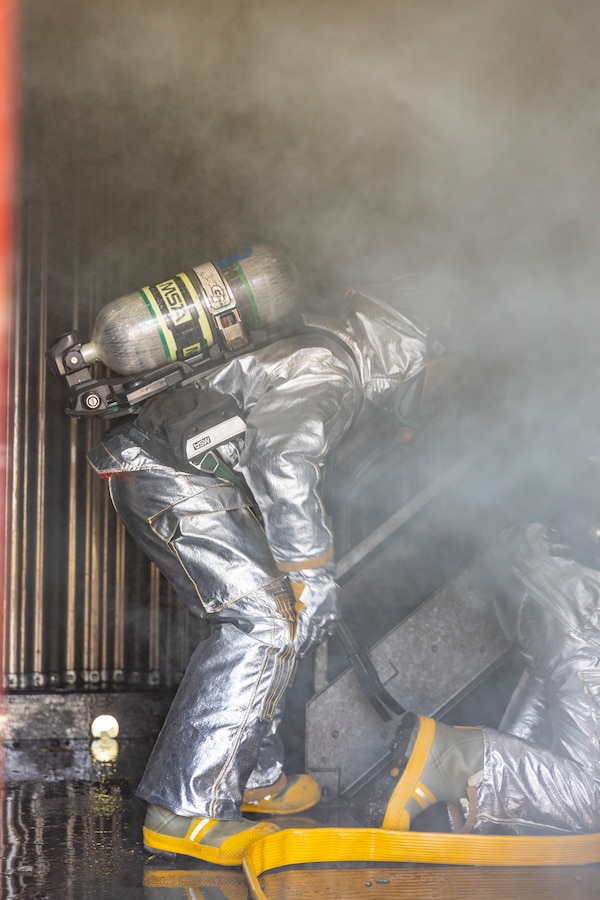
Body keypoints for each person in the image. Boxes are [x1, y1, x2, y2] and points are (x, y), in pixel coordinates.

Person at [87, 274, 447, 865]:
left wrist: (301, 578)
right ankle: (184, 810)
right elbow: (281, 462)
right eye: (429, 364)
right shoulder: (329, 367)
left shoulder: (312, 348)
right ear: (403, 347)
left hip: (174, 471)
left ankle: (251, 774)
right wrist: (311, 571)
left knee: (280, 620)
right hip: (173, 479)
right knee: (263, 624)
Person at [366, 470, 600, 836]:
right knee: (594, 798)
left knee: (544, 734)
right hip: (579, 592)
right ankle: (449, 758)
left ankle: (484, 805)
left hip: (542, 567)